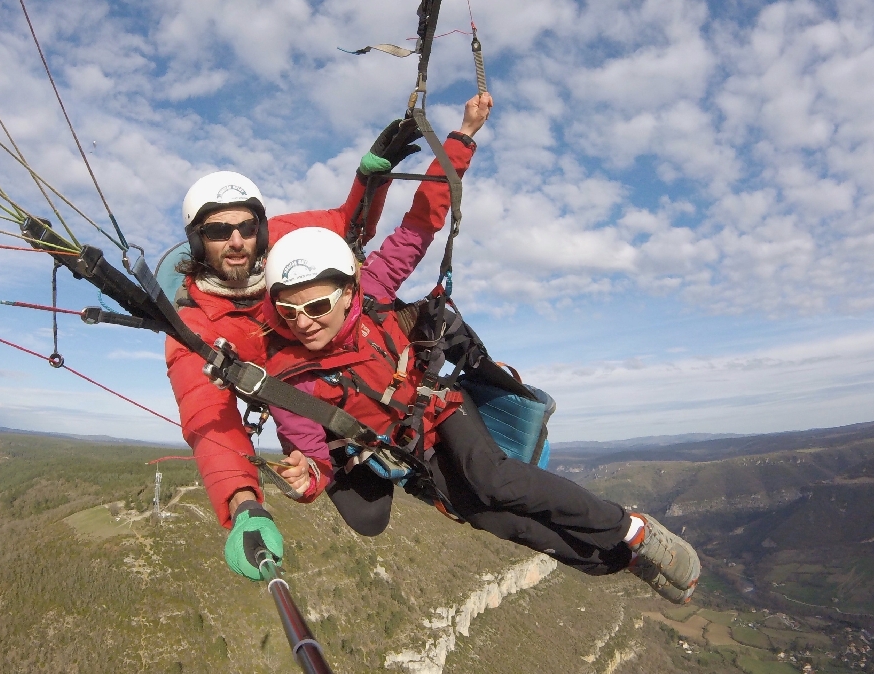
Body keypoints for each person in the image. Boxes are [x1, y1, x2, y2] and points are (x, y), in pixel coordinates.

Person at [241, 92, 701, 604]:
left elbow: (419, 225)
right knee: (494, 519)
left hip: (436, 406)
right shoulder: (288, 374)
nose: (303, 323)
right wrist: (306, 477)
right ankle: (622, 560)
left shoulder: (372, 291)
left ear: (347, 290)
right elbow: (309, 450)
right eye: (287, 312)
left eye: (317, 306)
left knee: (492, 480)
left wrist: (463, 137)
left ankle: (630, 528)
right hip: (405, 447)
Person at [164, 121, 424, 572]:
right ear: (197, 240)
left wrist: (370, 178)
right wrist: (243, 504)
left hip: (342, 366)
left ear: (260, 228)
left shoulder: (285, 243)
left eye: (246, 226)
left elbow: (347, 227)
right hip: (302, 405)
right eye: (218, 231)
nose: (236, 240)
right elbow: (208, 416)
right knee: (369, 516)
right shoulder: (194, 324)